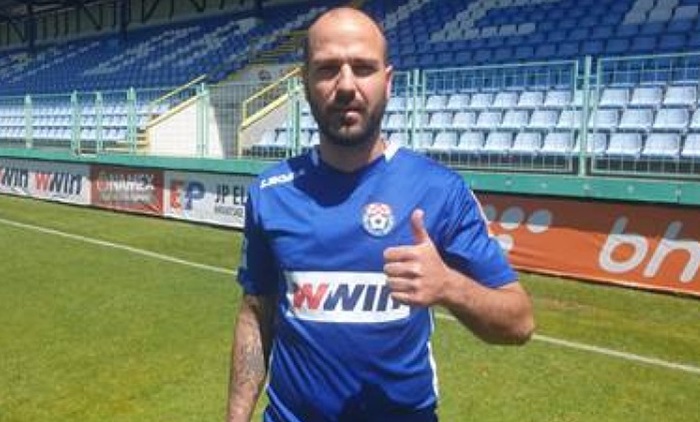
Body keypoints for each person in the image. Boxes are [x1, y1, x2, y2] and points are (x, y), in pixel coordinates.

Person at [227, 7, 535, 422]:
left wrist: (449, 286)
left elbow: (519, 323)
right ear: (305, 83)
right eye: (328, 69)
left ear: (387, 82)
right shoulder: (271, 193)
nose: (346, 85)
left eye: (363, 68)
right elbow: (255, 312)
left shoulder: (439, 190)